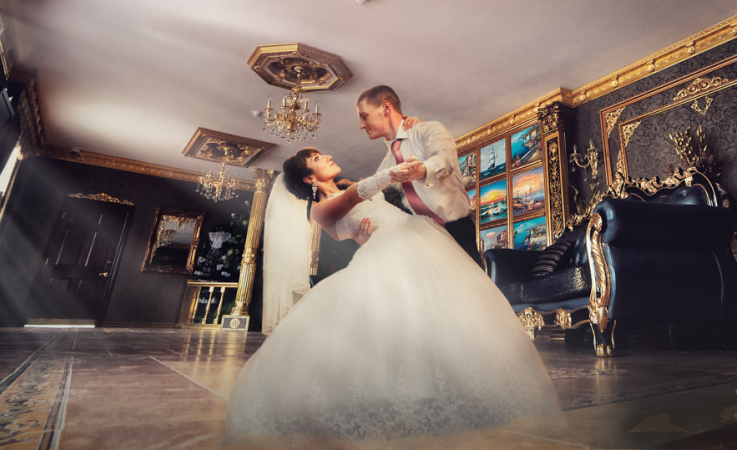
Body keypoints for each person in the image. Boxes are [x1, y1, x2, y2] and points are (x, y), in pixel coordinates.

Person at [224, 149, 560, 446]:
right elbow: (353, 201)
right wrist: (390, 173)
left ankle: (451, 387)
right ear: (309, 177)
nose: (326, 156)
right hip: (391, 250)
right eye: (316, 158)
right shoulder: (321, 210)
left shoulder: (350, 186)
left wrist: (399, 175)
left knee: (440, 312)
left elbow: (363, 217)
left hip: (414, 238)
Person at [356, 85, 483, 266]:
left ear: (385, 108)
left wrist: (422, 170)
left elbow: (444, 159)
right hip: (420, 241)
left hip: (456, 230)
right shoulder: (384, 168)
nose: (361, 125)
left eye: (364, 116)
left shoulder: (428, 130)